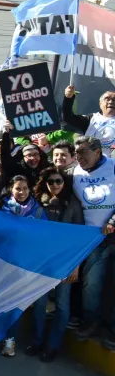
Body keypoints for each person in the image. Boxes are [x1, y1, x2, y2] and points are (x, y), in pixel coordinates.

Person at [26, 167, 83, 362]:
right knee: (40, 305)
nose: (55, 185)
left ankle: (53, 346)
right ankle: (37, 341)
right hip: (42, 264)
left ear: (65, 183)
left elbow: (79, 239)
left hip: (66, 263)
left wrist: (75, 266)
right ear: (45, 183)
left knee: (62, 305)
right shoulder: (37, 203)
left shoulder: (73, 204)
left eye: (59, 181)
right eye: (51, 181)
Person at [0, 175, 44, 357]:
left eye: (25, 188)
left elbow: (46, 237)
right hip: (2, 261)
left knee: (15, 303)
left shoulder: (38, 211)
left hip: (25, 265)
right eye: (18, 188)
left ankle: (9, 340)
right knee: (0, 300)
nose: (22, 192)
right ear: (11, 189)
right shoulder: (0, 207)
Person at [71, 136, 115, 343]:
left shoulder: (113, 166)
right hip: (92, 238)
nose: (79, 157)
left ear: (98, 152)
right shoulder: (75, 172)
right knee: (92, 284)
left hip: (113, 235)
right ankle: (91, 322)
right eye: (77, 153)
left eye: (83, 152)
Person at [63, 86, 115, 156]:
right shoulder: (90, 120)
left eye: (114, 100)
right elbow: (68, 118)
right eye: (107, 99)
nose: (111, 102)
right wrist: (68, 99)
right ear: (100, 104)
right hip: (91, 163)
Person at [0, 124, 49, 188]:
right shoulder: (15, 168)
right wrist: (6, 133)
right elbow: (5, 155)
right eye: (29, 155)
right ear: (23, 156)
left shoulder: (45, 167)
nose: (33, 158)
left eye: (36, 154)